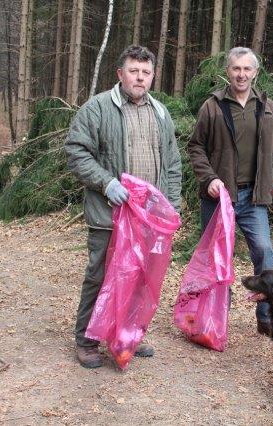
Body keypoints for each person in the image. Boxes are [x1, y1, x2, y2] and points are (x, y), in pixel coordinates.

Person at [65, 45, 182, 368]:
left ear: (153, 76)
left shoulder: (160, 113)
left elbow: (172, 163)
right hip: (109, 214)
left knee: (138, 279)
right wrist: (106, 182)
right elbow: (76, 152)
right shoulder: (98, 109)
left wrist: (171, 207)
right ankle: (87, 341)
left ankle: (127, 336)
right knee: (100, 276)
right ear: (120, 74)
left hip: (148, 219)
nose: (140, 78)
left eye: (146, 73)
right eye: (134, 71)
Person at [187, 46, 273, 335]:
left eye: (247, 69)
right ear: (228, 72)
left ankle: (266, 317)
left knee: (265, 253)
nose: (241, 74)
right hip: (220, 198)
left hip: (254, 197)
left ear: (255, 73)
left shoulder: (268, 108)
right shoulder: (213, 106)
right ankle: (216, 316)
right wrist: (209, 179)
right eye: (236, 68)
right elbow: (195, 147)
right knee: (217, 260)